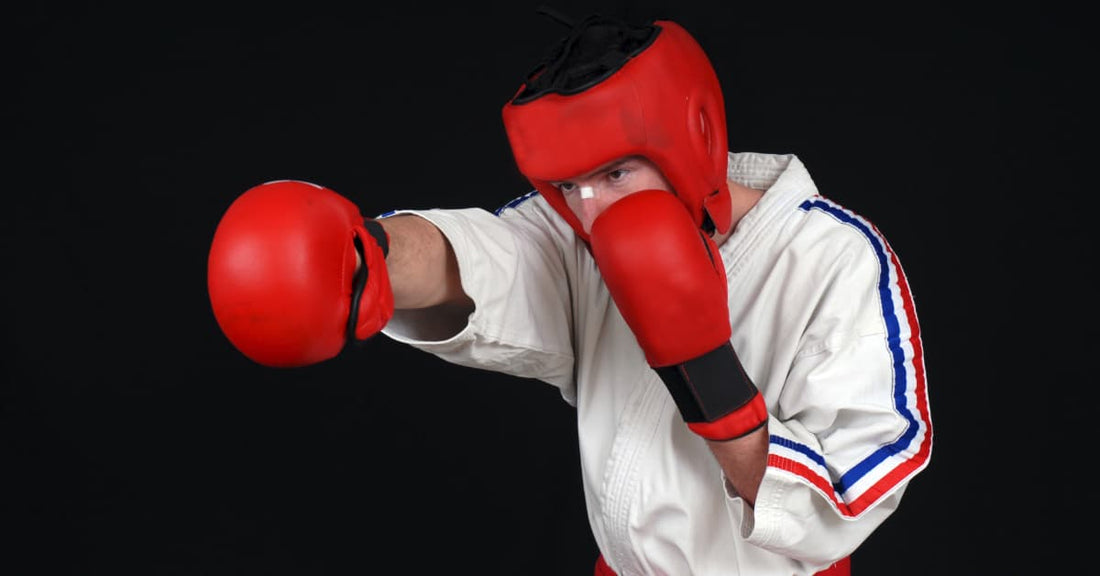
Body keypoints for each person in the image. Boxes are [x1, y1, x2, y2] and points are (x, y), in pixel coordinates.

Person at [207, 13, 931, 576]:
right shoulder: (580, 240)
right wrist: (367, 252)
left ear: (694, 135)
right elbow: (492, 257)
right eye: (566, 187)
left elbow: (859, 482)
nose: (592, 208)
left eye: (617, 173)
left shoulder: (837, 259)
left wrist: (708, 374)